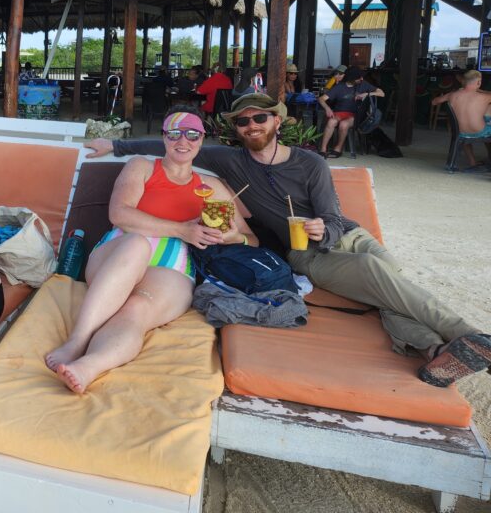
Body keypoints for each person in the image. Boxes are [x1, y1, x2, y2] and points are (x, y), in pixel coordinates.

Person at [84, 93, 491, 388]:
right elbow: (174, 142)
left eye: (259, 118)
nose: (251, 126)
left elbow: (332, 214)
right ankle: (468, 334)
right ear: (237, 130)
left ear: (277, 121)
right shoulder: (230, 160)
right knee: (376, 275)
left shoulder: (310, 162)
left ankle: (435, 351)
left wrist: (323, 228)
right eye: (242, 122)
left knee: (386, 277)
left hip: (349, 236)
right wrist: (116, 144)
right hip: (307, 254)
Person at [46, 110, 256, 395]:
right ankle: (77, 341)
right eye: (175, 133)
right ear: (164, 138)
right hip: (119, 252)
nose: (184, 140)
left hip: (173, 266)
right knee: (137, 244)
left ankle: (89, 367)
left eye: (192, 134)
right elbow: (119, 214)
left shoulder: (213, 188)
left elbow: (252, 240)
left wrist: (233, 237)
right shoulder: (142, 166)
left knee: (137, 309)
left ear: (202, 139)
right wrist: (183, 229)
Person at [317, 66, 384, 158]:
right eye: (359, 77)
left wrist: (367, 94)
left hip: (355, 115)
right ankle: (323, 149)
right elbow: (321, 99)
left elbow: (381, 93)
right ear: (352, 78)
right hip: (339, 113)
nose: (361, 78)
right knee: (331, 121)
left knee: (343, 124)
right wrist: (327, 108)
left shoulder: (363, 84)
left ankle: (338, 148)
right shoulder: (339, 87)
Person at [432, 70, 491, 169]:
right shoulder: (484, 97)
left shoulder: (452, 95)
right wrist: (480, 91)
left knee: (464, 130)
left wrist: (449, 95)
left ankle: (473, 162)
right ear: (479, 83)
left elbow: (434, 102)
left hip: (461, 132)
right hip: (480, 131)